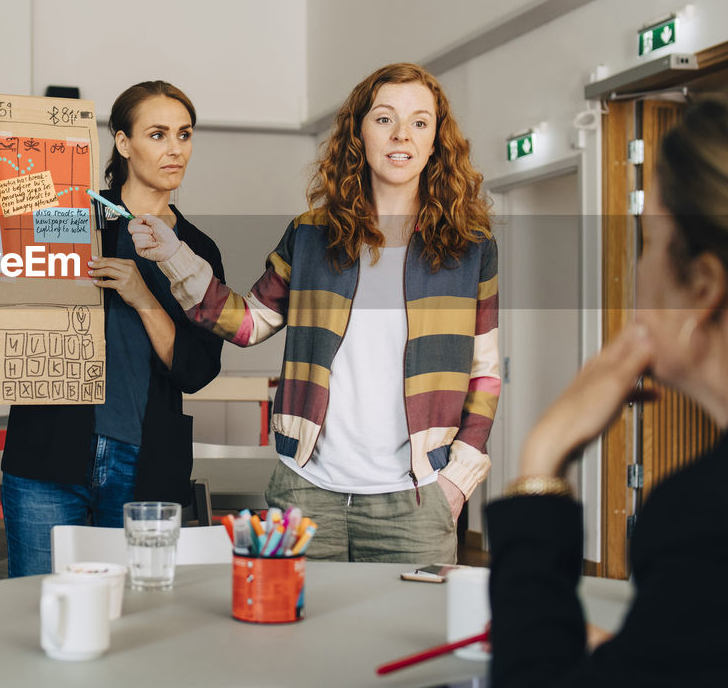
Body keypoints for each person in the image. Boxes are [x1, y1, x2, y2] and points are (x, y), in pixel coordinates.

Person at [131, 62, 498, 564]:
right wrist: (176, 257)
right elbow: (250, 322)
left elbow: (485, 371)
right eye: (384, 118)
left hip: (416, 498)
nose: (401, 135)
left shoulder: (470, 248)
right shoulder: (311, 235)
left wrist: (458, 476)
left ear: (436, 140)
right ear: (359, 133)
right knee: (297, 637)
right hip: (306, 493)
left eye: (419, 122)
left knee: (408, 640)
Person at [0, 80, 223, 575]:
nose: (175, 149)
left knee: (135, 618)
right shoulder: (67, 213)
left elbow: (197, 370)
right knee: (39, 605)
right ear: (123, 143)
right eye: (158, 134)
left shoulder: (196, 249)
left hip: (143, 463)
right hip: (47, 452)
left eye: (184, 135)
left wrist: (143, 297)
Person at [487, 88, 728, 686]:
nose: (639, 268)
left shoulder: (707, 517)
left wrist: (542, 457)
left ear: (704, 285)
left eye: (648, 243)